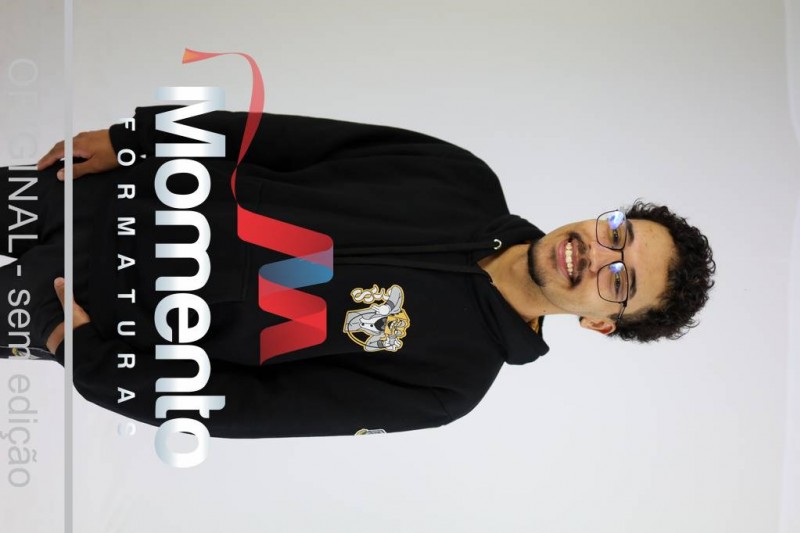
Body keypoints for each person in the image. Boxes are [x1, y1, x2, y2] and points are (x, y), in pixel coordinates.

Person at [1, 107, 715, 438]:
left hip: (91, 311)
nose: (594, 253)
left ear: (601, 323)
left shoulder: (447, 386)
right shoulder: (461, 177)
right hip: (103, 197)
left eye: (619, 280)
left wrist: (101, 367)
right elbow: (279, 139)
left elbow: (253, 409)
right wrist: (137, 141)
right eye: (617, 232)